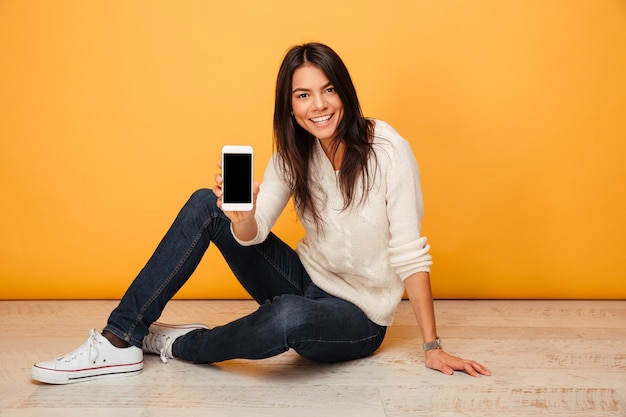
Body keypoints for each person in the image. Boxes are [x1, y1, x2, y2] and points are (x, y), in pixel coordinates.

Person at [31, 42, 490, 384]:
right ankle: (120, 339)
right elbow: (255, 232)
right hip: (306, 280)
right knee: (203, 204)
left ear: (344, 92)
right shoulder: (295, 152)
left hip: (358, 317)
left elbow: (410, 253)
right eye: (304, 96)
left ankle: (176, 343)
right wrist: (241, 217)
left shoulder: (387, 149)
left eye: (328, 90)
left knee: (288, 316)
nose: (319, 106)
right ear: (290, 107)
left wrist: (432, 347)